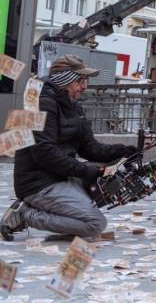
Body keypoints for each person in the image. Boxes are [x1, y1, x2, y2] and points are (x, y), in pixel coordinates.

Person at [1, 55, 139, 240]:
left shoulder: (73, 106)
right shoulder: (39, 104)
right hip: (38, 183)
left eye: (85, 81)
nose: (84, 86)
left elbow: (89, 147)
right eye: (80, 81)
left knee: (108, 184)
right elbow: (45, 153)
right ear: (64, 80)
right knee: (95, 225)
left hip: (59, 176)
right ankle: (27, 214)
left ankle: (55, 209)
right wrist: (90, 171)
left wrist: (124, 151)